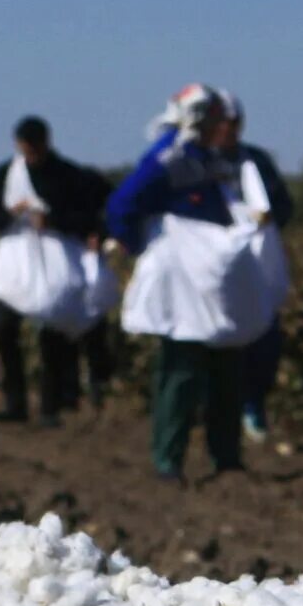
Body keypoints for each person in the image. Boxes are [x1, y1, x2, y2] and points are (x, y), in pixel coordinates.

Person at [106, 85, 246, 481]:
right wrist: (142, 246)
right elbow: (122, 206)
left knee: (225, 365)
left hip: (212, 276)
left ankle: (227, 457)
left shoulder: (208, 156)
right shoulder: (171, 156)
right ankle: (169, 461)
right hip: (183, 282)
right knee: (180, 370)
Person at [0, 116, 115, 427]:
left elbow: (91, 216)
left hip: (56, 262)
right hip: (16, 264)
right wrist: (10, 213)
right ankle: (14, 402)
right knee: (4, 329)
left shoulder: (68, 175)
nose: (31, 155)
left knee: (53, 331)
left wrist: (54, 221)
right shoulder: (7, 174)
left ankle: (50, 406)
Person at [211, 90, 295, 442]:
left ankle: (253, 405)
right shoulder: (197, 163)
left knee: (264, 338)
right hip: (215, 266)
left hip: (256, 266)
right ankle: (216, 413)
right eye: (222, 123)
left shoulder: (256, 161)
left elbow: (284, 205)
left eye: (233, 123)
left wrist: (266, 216)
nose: (228, 130)